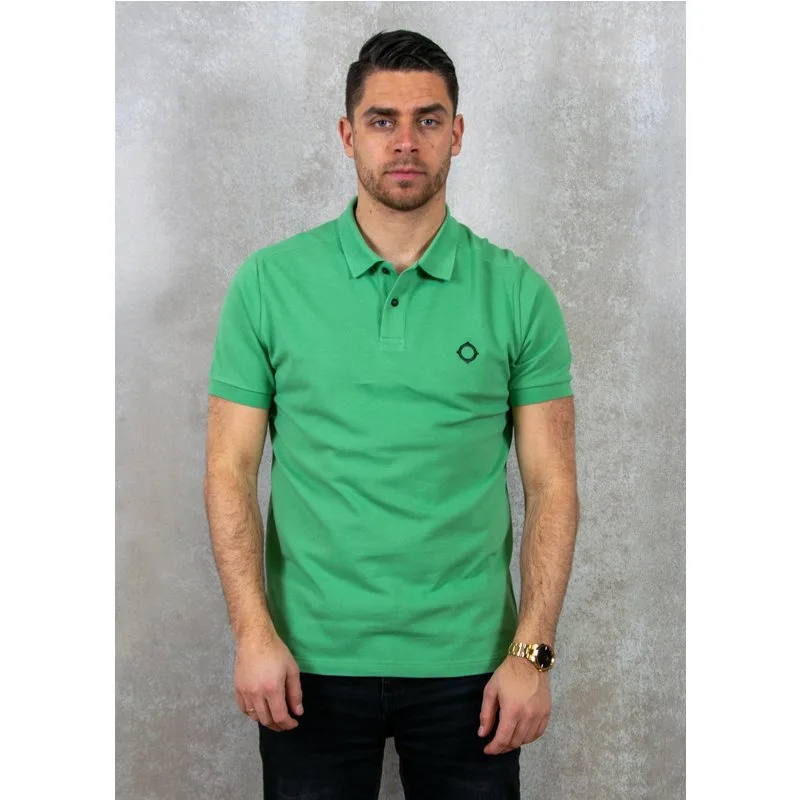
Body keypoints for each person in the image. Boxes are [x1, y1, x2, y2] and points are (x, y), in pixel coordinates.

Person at [204, 28, 579, 800]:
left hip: (472, 669)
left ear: (457, 134)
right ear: (348, 135)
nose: (405, 142)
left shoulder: (517, 293)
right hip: (306, 663)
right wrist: (252, 634)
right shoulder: (269, 284)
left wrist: (533, 654)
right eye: (382, 120)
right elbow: (229, 470)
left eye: (427, 120)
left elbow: (554, 487)